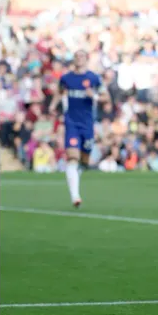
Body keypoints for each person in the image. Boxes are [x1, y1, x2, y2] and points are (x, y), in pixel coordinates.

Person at [49, 50, 109, 208]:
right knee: (72, 157)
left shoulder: (93, 78)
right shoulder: (66, 78)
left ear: (87, 59)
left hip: (88, 123)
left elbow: (106, 97)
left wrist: (93, 96)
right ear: (74, 60)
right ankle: (75, 196)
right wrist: (53, 105)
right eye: (77, 56)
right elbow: (59, 92)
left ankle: (79, 171)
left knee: (84, 160)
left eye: (82, 56)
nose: (79, 59)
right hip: (71, 122)